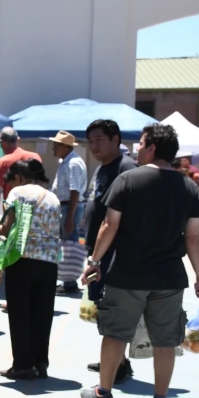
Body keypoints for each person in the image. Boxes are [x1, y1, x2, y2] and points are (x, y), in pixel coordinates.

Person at [80, 124, 199, 398]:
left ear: (151, 148)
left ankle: (103, 394)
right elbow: (192, 236)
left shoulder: (128, 180)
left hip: (127, 275)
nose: (137, 148)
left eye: (140, 143)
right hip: (169, 278)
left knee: (115, 335)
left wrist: (95, 260)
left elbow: (109, 225)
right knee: (165, 341)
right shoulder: (189, 187)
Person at [0, 159, 61, 379]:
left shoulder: (18, 193)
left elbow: (6, 227)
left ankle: (22, 364)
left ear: (19, 178)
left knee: (20, 312)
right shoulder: (53, 197)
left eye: (10, 181)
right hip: (49, 261)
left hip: (22, 259)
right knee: (43, 313)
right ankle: (41, 362)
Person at [82, 120, 138, 381]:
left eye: (99, 140)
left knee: (114, 308)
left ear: (116, 140)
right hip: (98, 252)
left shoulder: (126, 169)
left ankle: (119, 365)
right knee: (101, 306)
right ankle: (114, 361)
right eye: (91, 141)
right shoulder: (103, 169)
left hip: (115, 253)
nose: (94, 146)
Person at [48, 131, 88, 294]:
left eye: (56, 145)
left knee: (69, 244)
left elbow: (75, 190)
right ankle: (67, 280)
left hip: (69, 207)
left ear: (65, 146)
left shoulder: (73, 163)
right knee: (66, 244)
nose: (53, 148)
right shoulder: (67, 161)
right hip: (65, 206)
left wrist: (70, 217)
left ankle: (70, 282)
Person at [0, 127, 41, 222]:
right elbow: (41, 184)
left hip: (13, 212)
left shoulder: (0, 163)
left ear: (2, 143)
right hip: (36, 209)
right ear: (18, 140)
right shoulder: (35, 157)